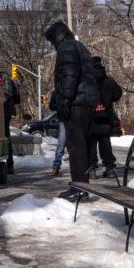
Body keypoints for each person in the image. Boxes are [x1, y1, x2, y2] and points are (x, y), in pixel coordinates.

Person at [43, 20, 98, 201]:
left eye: (52, 40)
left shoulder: (66, 48)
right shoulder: (79, 46)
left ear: (56, 36)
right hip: (86, 102)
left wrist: (65, 100)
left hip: (76, 103)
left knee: (76, 147)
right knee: (82, 146)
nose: (52, 44)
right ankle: (82, 185)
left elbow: (69, 75)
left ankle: (79, 188)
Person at [89, 57, 123, 178]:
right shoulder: (109, 81)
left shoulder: (87, 80)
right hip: (105, 117)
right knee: (105, 144)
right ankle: (110, 169)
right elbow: (118, 94)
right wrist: (107, 102)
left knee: (91, 144)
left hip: (90, 118)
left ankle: (91, 169)